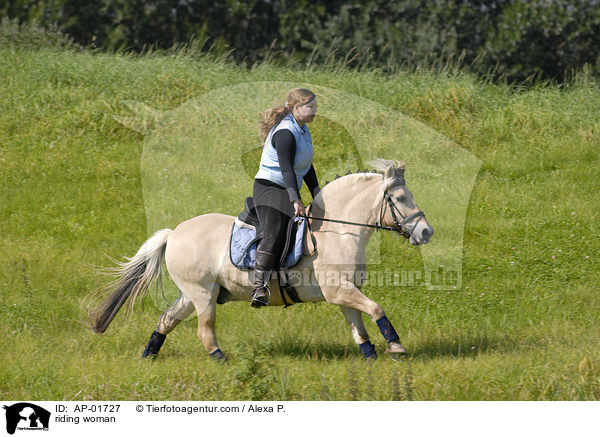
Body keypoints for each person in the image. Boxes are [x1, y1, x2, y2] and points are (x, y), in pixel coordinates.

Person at [250, 88, 321, 307]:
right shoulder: (285, 132)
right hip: (269, 188)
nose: (315, 110)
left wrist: (318, 195)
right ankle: (259, 286)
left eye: (316, 106)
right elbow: (287, 169)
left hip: (287, 188)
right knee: (276, 231)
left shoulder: (303, 129)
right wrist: (296, 199)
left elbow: (306, 167)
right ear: (297, 108)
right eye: (311, 106)